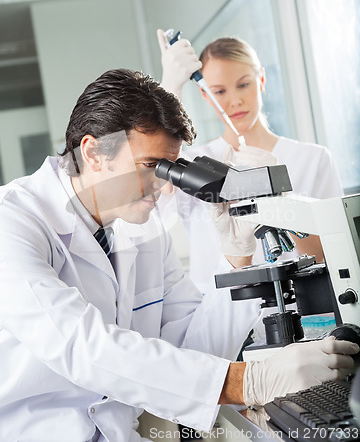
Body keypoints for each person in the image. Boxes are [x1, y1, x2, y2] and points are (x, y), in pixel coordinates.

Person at [0, 69, 356, 442]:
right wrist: (248, 381)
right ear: (92, 152)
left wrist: (238, 257)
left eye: (170, 167)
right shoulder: (14, 221)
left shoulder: (143, 229)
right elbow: (82, 346)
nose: (163, 185)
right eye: (150, 166)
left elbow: (194, 346)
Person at [157, 30, 344, 293]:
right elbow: (155, 203)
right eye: (219, 91)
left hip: (304, 312)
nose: (235, 100)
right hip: (220, 315)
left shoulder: (313, 159)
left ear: (262, 79)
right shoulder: (189, 162)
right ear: (205, 96)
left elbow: (333, 253)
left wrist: (282, 201)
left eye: (244, 84)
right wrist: (170, 92)